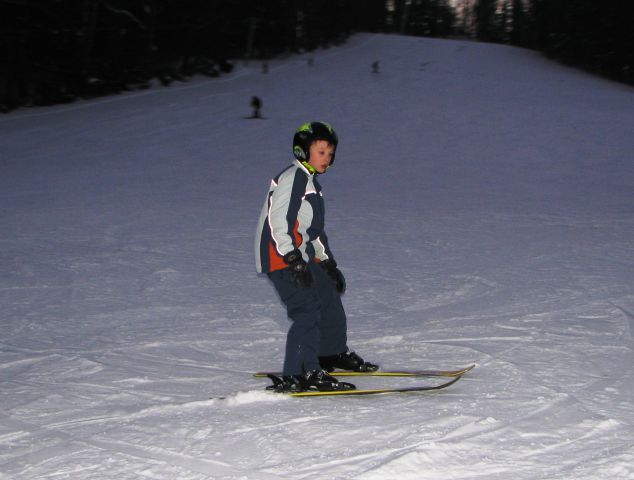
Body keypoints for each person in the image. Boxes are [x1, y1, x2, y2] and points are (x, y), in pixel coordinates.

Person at [255, 121, 378, 392]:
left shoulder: (311, 184)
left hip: (302, 256)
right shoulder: (294, 178)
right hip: (281, 256)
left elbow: (314, 232)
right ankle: (300, 372)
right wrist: (291, 258)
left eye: (330, 154)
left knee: (328, 298)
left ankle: (330, 353)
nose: (327, 158)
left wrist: (327, 263)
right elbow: (279, 222)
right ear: (303, 150)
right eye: (321, 152)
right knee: (307, 310)